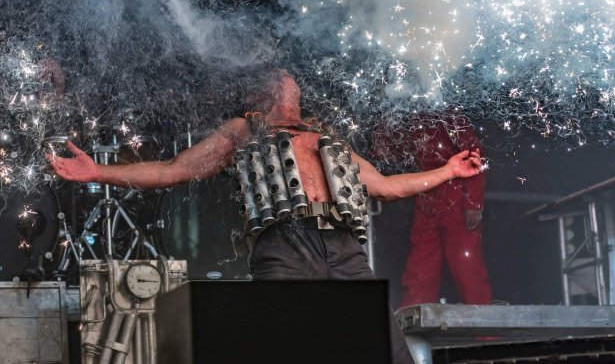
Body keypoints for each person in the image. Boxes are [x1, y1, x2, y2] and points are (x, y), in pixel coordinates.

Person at [48, 70, 483, 363]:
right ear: (262, 94)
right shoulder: (244, 131)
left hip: (342, 247)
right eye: (275, 83)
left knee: (384, 343)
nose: (283, 85)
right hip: (285, 245)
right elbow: (174, 170)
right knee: (286, 341)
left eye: (288, 81)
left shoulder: (325, 138)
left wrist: (447, 171)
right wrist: (99, 171)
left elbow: (386, 185)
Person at [397, 112, 492, 308]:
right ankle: (413, 321)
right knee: (421, 264)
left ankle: (485, 331)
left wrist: (473, 203)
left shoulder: (449, 115)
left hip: (455, 194)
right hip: (426, 193)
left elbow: (475, 156)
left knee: (466, 265)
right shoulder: (409, 115)